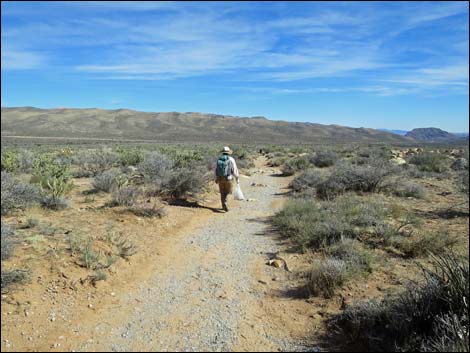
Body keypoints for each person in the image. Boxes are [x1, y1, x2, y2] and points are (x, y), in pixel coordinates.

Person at [214, 146, 239, 212]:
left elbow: (216, 169)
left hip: (220, 178)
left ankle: (223, 205)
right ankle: (226, 204)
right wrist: (237, 177)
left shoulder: (219, 159)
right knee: (228, 192)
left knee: (222, 192)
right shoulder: (231, 159)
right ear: (228, 152)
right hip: (229, 178)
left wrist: (216, 178)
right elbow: (234, 169)